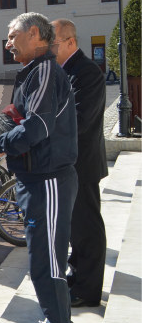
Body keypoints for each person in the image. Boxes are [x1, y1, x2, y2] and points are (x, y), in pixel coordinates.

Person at [0, 12, 78, 323]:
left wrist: (0, 144)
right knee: (43, 260)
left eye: (12, 36)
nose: (8, 43)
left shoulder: (45, 72)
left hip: (48, 180)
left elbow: (37, 127)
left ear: (35, 34)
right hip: (37, 179)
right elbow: (27, 121)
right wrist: (4, 137)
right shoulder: (37, 72)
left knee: (48, 262)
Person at [51, 18, 108, 308]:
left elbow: (80, 119)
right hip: (68, 164)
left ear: (71, 42)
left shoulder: (86, 71)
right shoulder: (63, 70)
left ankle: (88, 290)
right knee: (75, 228)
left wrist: (44, 128)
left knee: (88, 228)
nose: (50, 48)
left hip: (82, 164)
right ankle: (79, 276)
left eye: (54, 43)